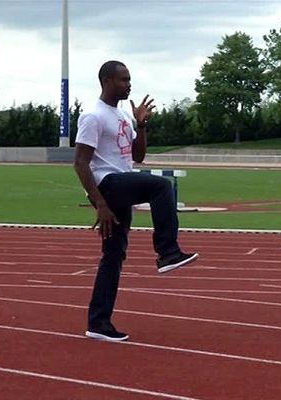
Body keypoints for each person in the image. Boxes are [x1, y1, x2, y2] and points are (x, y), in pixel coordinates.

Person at [73, 60, 198, 342]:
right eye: (123, 79)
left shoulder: (122, 117)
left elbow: (138, 156)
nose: (129, 84)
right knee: (161, 186)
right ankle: (167, 251)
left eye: (129, 79)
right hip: (108, 185)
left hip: (122, 183)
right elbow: (81, 163)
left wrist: (140, 124)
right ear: (106, 81)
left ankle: (98, 323)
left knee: (113, 256)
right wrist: (100, 204)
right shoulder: (93, 116)